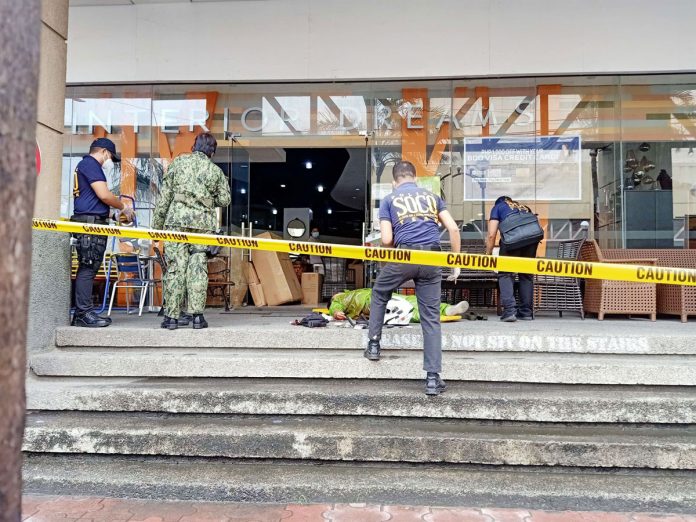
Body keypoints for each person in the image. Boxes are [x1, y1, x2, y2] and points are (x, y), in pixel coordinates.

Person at [365, 160, 461, 396]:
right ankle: (432, 378)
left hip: (405, 255)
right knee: (431, 317)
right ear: (415, 178)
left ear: (394, 182)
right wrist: (455, 265)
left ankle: (374, 344)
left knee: (379, 292)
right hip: (432, 258)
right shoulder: (432, 196)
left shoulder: (389, 199)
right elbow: (454, 229)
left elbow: (387, 240)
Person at [152, 132, 231, 330]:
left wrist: (156, 229)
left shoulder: (178, 164)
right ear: (212, 151)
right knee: (197, 269)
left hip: (175, 224)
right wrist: (206, 198)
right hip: (202, 227)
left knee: (175, 269)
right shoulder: (215, 171)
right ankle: (197, 317)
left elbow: (165, 198)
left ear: (194, 146)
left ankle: (171, 318)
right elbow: (225, 200)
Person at [71, 138, 135, 328]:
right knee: (88, 267)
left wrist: (115, 217)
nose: (110, 162)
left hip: (92, 221)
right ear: (105, 152)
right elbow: (104, 195)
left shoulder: (86, 166)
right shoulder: (90, 164)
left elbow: (93, 203)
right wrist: (124, 206)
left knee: (90, 267)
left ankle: (84, 312)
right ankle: (83, 313)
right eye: (110, 157)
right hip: (89, 225)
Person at [486, 195, 540, 322]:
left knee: (505, 274)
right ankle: (526, 312)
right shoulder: (524, 207)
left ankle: (509, 311)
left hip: (512, 241)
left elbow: (491, 234)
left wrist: (488, 254)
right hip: (532, 240)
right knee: (526, 275)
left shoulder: (498, 207)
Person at [330, 288, 468, 322]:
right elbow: (334, 308)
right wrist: (336, 312)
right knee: (403, 308)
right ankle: (442, 310)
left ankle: (447, 308)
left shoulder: (351, 292)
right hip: (371, 302)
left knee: (411, 300)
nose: (336, 294)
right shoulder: (339, 299)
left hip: (377, 295)